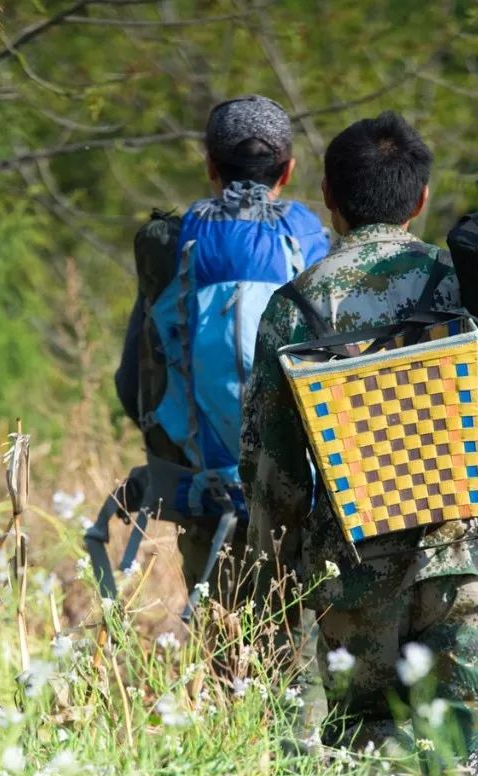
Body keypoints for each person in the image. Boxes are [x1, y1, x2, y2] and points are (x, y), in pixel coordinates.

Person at [239, 111, 478, 776]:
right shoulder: (463, 280)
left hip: (354, 573)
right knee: (467, 771)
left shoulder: (293, 307)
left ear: (328, 197)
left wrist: (269, 595)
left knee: (372, 767)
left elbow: (273, 472)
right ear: (421, 198)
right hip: (468, 557)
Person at [113, 95, 330, 607]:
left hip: (205, 493)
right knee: (303, 633)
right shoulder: (311, 239)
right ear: (288, 169)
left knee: (227, 637)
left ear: (210, 166)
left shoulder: (173, 245)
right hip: (303, 493)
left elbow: (132, 383)